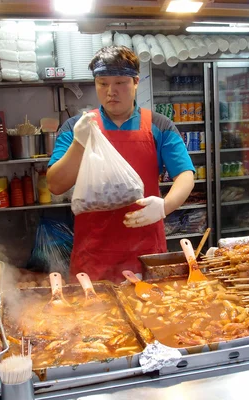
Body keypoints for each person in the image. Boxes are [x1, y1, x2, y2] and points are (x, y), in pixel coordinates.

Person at [47, 46, 195, 282]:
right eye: (102, 83)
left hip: (145, 253)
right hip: (94, 255)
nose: (110, 92)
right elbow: (55, 185)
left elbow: (185, 174)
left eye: (120, 83)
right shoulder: (78, 127)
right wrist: (79, 142)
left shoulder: (158, 124)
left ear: (136, 82)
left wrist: (165, 206)